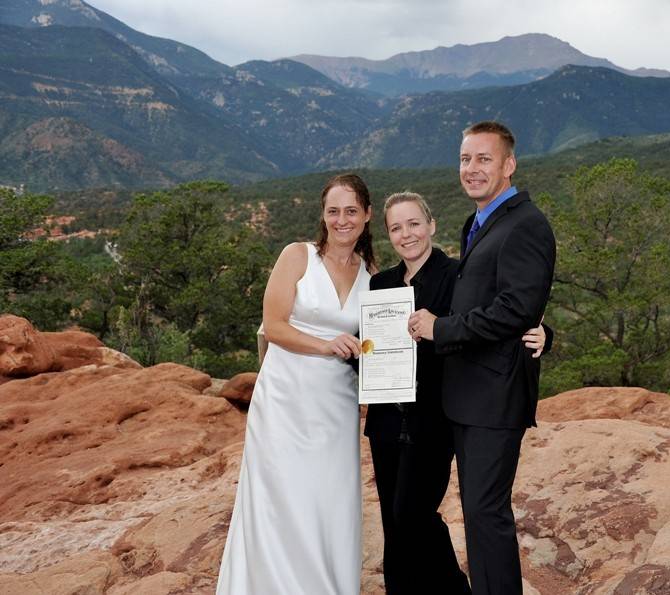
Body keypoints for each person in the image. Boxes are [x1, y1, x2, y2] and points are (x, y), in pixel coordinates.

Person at [366, 192, 551, 595]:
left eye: (414, 223)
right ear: (388, 236)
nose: (406, 234)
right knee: (394, 524)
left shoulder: (456, 276)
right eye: (396, 227)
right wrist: (355, 349)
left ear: (431, 225)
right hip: (385, 416)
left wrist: (543, 333)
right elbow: (372, 347)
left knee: (413, 513)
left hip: (435, 414)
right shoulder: (379, 284)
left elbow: (498, 318)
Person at [409, 121, 556, 595]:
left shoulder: (526, 224)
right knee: (478, 512)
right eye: (465, 159)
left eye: (483, 159)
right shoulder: (479, 222)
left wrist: (442, 328)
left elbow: (516, 309)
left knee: (487, 515)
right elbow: (498, 300)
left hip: (494, 397)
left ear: (508, 165)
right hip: (467, 394)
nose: (471, 169)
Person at [217, 173, 374, 595]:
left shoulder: (371, 273)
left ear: (367, 215)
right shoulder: (298, 256)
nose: (342, 220)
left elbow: (375, 339)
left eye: (351, 211)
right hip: (285, 401)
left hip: (336, 406)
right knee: (282, 498)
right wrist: (326, 346)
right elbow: (273, 326)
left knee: (329, 501)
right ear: (323, 216)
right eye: (333, 211)